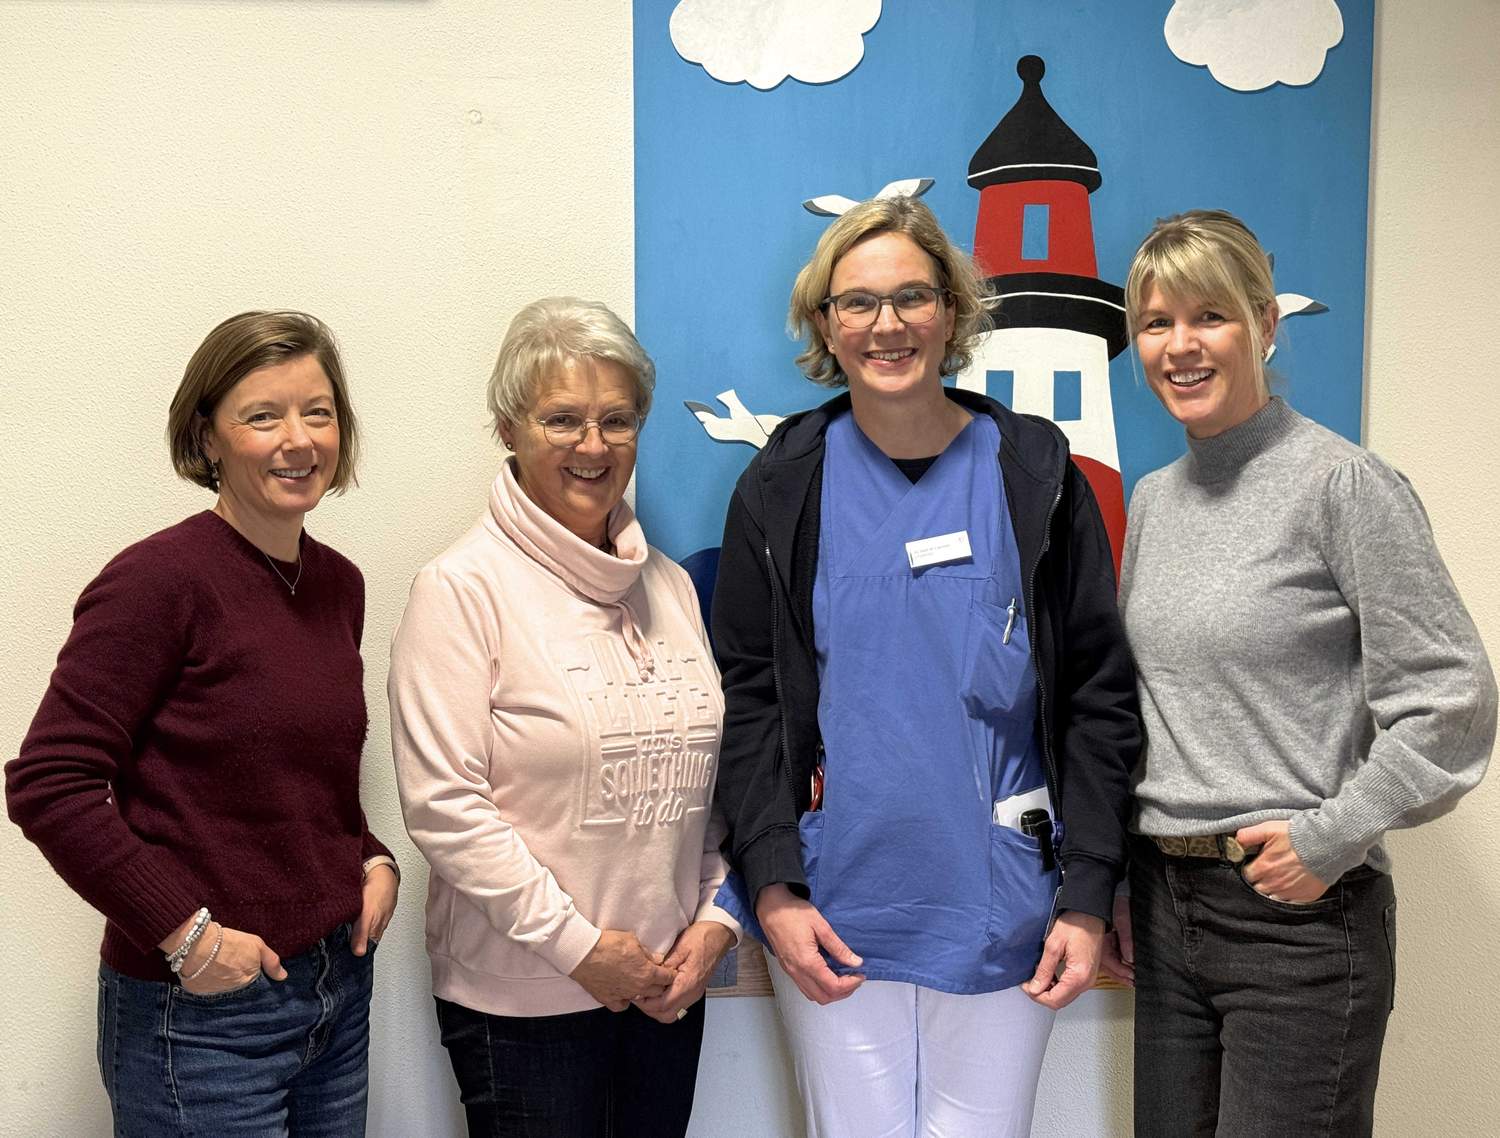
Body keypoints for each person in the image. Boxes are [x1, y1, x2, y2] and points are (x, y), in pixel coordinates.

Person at [710, 195, 1140, 1137]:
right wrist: (772, 885)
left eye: (912, 296)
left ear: (952, 311)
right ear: (826, 323)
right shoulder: (781, 488)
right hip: (832, 906)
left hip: (1008, 905)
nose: (887, 324)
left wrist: (1088, 892)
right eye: (858, 302)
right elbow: (750, 699)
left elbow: (1097, 699)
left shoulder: (1035, 476)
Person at [1107, 209, 1496, 1136]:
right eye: (1156, 323)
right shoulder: (1153, 502)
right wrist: (1122, 879)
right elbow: (1154, 713)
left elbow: (1453, 699)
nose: (1180, 346)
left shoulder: (1343, 485)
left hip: (1296, 927)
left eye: (1210, 316)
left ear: (1265, 323)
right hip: (1165, 909)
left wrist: (1332, 836)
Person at [6, 310, 399, 1136]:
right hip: (202, 1020)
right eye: (262, 416)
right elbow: (48, 782)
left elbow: (298, 774)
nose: (298, 440)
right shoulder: (158, 581)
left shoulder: (338, 584)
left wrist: (369, 856)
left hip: (336, 995)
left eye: (318, 412)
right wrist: (185, 936)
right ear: (207, 437)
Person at [388, 296, 740, 1137]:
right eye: (562, 420)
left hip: (666, 988)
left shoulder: (670, 586)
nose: (593, 445)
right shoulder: (460, 590)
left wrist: (718, 921)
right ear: (508, 428)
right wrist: (580, 949)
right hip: (524, 1005)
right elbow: (445, 807)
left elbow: (708, 787)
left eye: (617, 420)